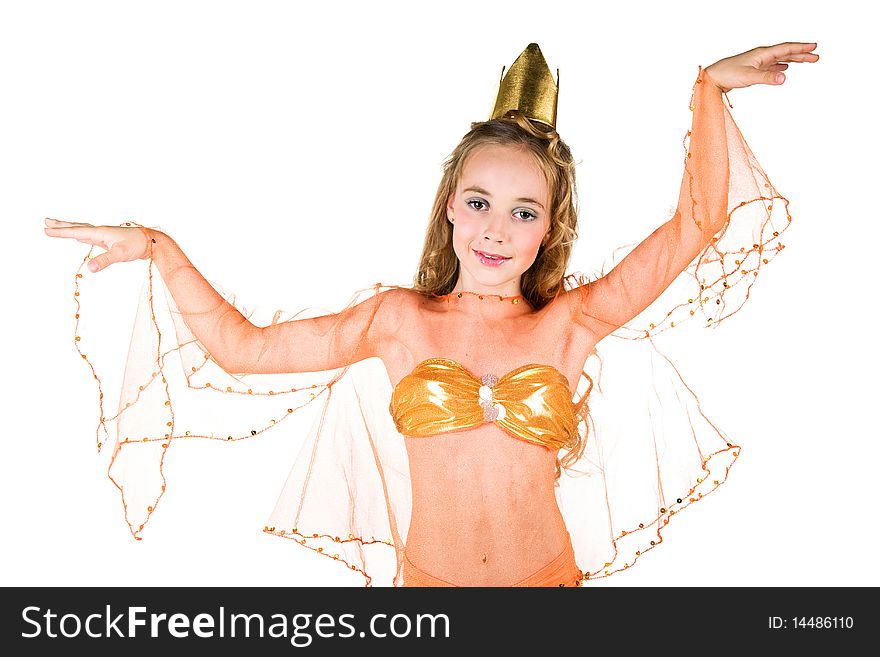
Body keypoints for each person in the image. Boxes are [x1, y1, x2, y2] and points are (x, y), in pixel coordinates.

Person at [44, 41, 819, 587]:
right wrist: (157, 245)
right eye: (480, 203)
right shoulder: (398, 320)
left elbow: (696, 224)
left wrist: (708, 90)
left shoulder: (571, 322)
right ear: (451, 206)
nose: (495, 229)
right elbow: (241, 349)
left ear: (549, 228)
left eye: (524, 212)